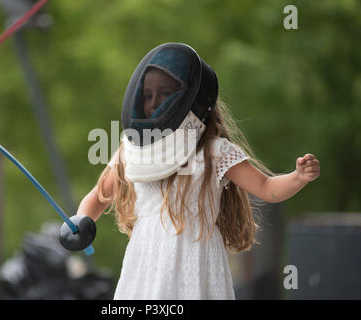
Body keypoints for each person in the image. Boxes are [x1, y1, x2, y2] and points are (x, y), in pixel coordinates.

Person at [76, 43, 320, 299]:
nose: (154, 102)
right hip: (146, 261)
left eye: (166, 93)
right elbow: (98, 196)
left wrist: (298, 177)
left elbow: (267, 189)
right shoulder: (133, 151)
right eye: (148, 95)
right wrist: (80, 223)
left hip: (197, 261)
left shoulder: (214, 151)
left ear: (191, 100)